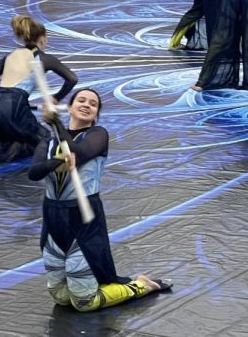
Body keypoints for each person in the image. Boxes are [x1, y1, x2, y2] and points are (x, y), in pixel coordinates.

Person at [28, 88, 172, 311]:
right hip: (53, 219)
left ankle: (141, 286)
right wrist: (57, 161)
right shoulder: (47, 142)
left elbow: (79, 152)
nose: (86, 105)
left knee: (84, 303)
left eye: (93, 104)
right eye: (81, 100)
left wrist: (55, 124)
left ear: (96, 114)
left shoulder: (98, 134)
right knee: (61, 296)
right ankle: (88, 283)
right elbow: (34, 172)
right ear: (70, 107)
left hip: (83, 221)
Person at [0, 15, 77, 163]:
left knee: (8, 148)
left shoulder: (10, 56)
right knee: (47, 142)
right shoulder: (44, 58)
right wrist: (56, 98)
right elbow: (72, 79)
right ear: (42, 39)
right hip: (13, 108)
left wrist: (0, 99)